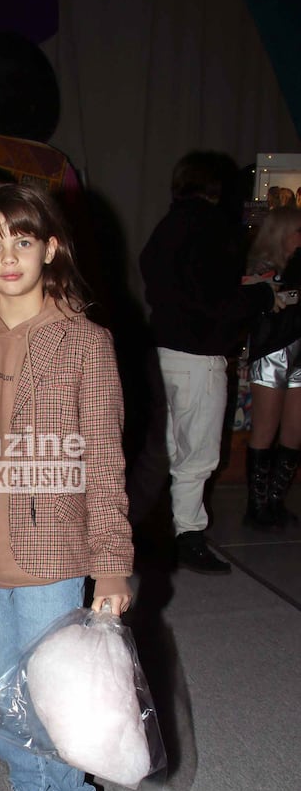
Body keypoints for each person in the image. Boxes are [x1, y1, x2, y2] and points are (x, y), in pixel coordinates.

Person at [0, 184, 134, 791]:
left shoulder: (85, 343)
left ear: (50, 247)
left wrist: (111, 563)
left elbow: (105, 462)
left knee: (57, 693)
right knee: (5, 689)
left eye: (21, 240)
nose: (7, 256)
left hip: (53, 551)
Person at [139, 151, 282, 574]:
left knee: (157, 452)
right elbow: (216, 303)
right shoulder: (214, 228)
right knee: (197, 456)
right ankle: (188, 536)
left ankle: (149, 533)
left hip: (160, 351)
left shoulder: (167, 226)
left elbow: (166, 282)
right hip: (200, 357)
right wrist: (262, 295)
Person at [243, 206, 301, 527]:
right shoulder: (262, 269)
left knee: (294, 430)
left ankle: (276, 499)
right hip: (272, 353)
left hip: (298, 354)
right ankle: (257, 504)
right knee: (265, 429)